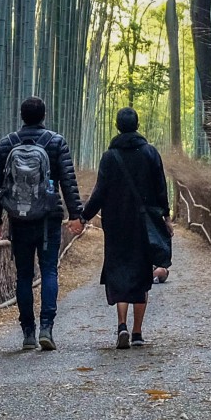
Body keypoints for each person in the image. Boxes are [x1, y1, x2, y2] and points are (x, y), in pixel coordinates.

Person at [0, 96, 84, 350]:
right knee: (49, 270)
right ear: (43, 116)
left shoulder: (7, 144)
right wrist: (76, 216)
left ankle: (28, 332)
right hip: (48, 218)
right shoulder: (55, 142)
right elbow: (68, 182)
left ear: (22, 116)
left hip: (18, 218)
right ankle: (46, 328)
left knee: (23, 276)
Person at [81, 106, 171, 348]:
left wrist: (83, 216)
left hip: (117, 224)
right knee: (142, 275)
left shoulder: (110, 157)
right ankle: (137, 333)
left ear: (117, 126)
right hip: (143, 225)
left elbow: (99, 192)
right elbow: (161, 188)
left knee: (119, 273)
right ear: (137, 124)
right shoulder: (150, 153)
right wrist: (166, 216)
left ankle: (121, 325)